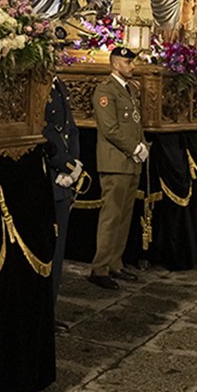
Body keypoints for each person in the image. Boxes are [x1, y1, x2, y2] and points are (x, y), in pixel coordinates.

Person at [88, 46, 147, 289]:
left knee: (124, 217)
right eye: (127, 62)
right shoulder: (105, 90)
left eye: (132, 63)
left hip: (130, 162)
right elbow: (110, 128)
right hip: (116, 161)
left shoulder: (128, 89)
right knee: (111, 217)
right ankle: (99, 268)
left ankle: (115, 263)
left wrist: (142, 145)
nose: (131, 66)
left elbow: (134, 123)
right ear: (115, 64)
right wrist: (134, 148)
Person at [42, 76, 82, 331]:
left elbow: (71, 128)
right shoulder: (39, 84)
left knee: (58, 252)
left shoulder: (59, 84)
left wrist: (75, 164)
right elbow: (43, 129)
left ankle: (50, 309)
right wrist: (64, 164)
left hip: (63, 176)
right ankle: (43, 311)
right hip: (50, 173)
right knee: (48, 249)